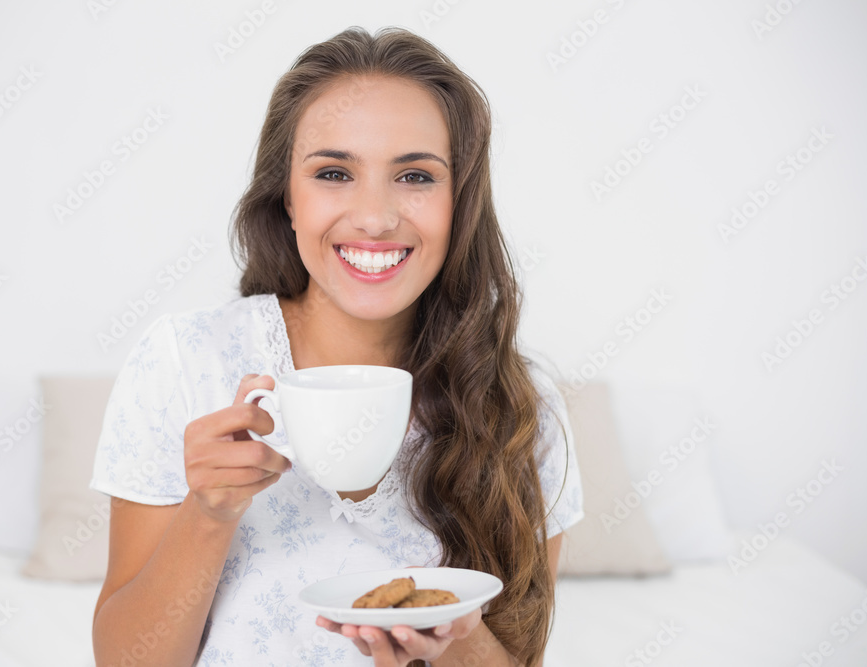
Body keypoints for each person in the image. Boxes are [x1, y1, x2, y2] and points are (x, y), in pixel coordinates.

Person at [89, 26, 583, 667]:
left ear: (460, 205)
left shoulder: (520, 407)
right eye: (333, 173)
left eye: (415, 175)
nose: (375, 218)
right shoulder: (185, 362)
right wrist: (207, 514)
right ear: (287, 199)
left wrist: (450, 639)